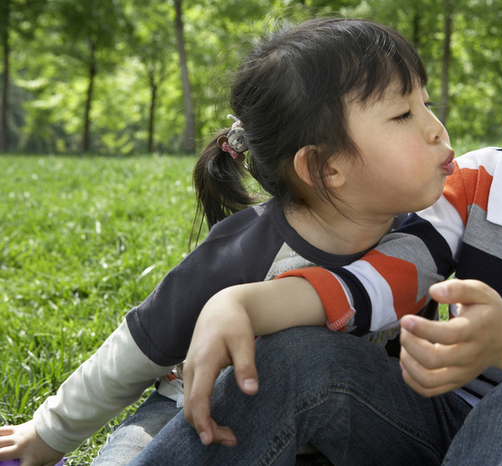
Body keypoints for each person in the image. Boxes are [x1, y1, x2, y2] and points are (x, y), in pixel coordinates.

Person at [129, 0, 502, 464]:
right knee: (297, 355)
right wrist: (246, 303)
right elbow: (382, 278)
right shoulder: (478, 180)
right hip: (435, 426)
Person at [0, 18, 455, 466]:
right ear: (324, 168)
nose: (436, 128)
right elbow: (137, 349)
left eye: (427, 103)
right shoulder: (245, 250)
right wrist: (48, 433)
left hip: (329, 428)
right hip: (192, 412)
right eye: (403, 114)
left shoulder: (424, 236)